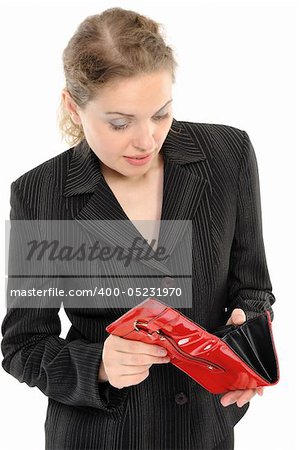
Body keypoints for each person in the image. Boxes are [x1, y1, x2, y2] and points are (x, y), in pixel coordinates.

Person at [1, 6, 275, 450]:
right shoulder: (42, 194)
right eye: (120, 123)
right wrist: (98, 365)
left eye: (161, 113)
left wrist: (248, 343)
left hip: (204, 433)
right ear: (74, 105)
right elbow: (23, 346)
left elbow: (254, 290)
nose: (147, 140)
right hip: (100, 437)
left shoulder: (228, 155)